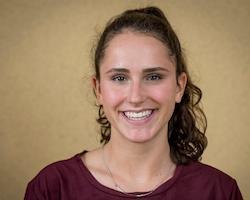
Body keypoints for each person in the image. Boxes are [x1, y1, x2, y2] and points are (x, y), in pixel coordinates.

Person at [24, 6, 243, 200]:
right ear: (98, 89)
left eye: (154, 76)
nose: (136, 97)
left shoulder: (219, 191)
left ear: (179, 86)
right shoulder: (52, 188)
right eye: (119, 78)